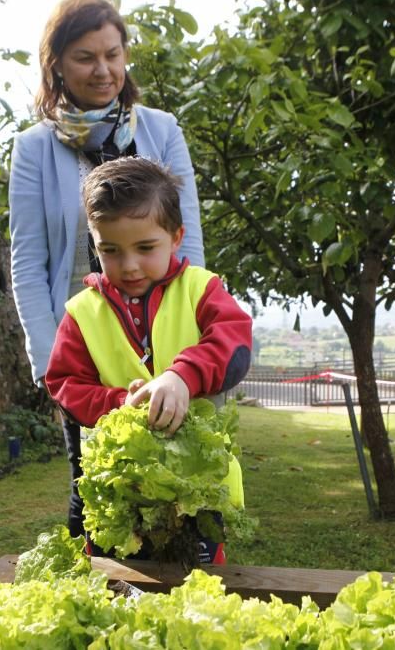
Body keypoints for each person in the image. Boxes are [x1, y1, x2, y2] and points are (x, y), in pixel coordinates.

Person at [8, 0, 205, 537]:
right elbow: (27, 262)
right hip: (86, 356)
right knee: (96, 496)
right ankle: (98, 604)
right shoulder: (33, 149)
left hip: (163, 349)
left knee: (180, 501)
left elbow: (188, 248)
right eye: (86, 58)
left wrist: (190, 353)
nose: (104, 71)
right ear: (57, 66)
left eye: (114, 55)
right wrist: (51, 365)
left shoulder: (162, 130)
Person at [45, 156, 251, 562]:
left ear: (176, 237)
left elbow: (235, 344)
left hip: (199, 491)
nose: (130, 265)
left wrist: (182, 376)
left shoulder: (202, 289)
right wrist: (121, 405)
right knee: (116, 594)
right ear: (94, 244)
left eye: (145, 247)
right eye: (110, 250)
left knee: (196, 597)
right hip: (121, 492)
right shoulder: (81, 312)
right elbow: (64, 385)